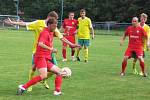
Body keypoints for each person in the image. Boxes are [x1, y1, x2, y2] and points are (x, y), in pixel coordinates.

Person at [4, 11, 79, 95]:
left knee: (59, 72)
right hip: (40, 56)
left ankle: (57, 91)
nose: (55, 28)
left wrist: (72, 44)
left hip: (46, 57)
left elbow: (61, 37)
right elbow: (40, 44)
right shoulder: (44, 32)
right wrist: (51, 49)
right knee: (41, 74)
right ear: (49, 24)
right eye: (54, 26)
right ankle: (23, 87)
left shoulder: (51, 31)